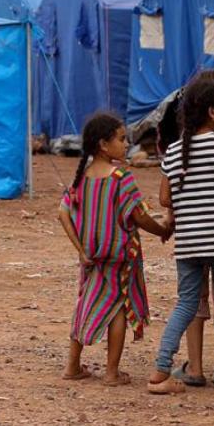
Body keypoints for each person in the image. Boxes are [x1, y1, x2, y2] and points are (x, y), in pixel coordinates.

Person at [148, 70, 214, 397]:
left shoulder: (176, 150)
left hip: (190, 243)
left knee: (185, 304)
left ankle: (161, 370)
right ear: (212, 111)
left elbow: (165, 198)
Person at [58, 113, 171, 386]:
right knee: (118, 308)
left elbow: (63, 213)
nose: (126, 144)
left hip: (92, 259)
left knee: (85, 304)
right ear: (103, 145)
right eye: (121, 139)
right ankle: (111, 372)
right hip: (121, 256)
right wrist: (164, 230)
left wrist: (81, 250)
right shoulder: (121, 178)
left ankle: (72, 366)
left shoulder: (81, 179)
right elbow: (140, 217)